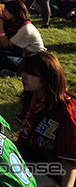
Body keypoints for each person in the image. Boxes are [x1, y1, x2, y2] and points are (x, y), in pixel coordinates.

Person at [16, 51, 76, 187]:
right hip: (31, 159)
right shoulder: (32, 97)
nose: (23, 76)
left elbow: (70, 163)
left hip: (55, 172)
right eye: (23, 71)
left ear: (47, 78)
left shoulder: (65, 112)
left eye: (31, 73)